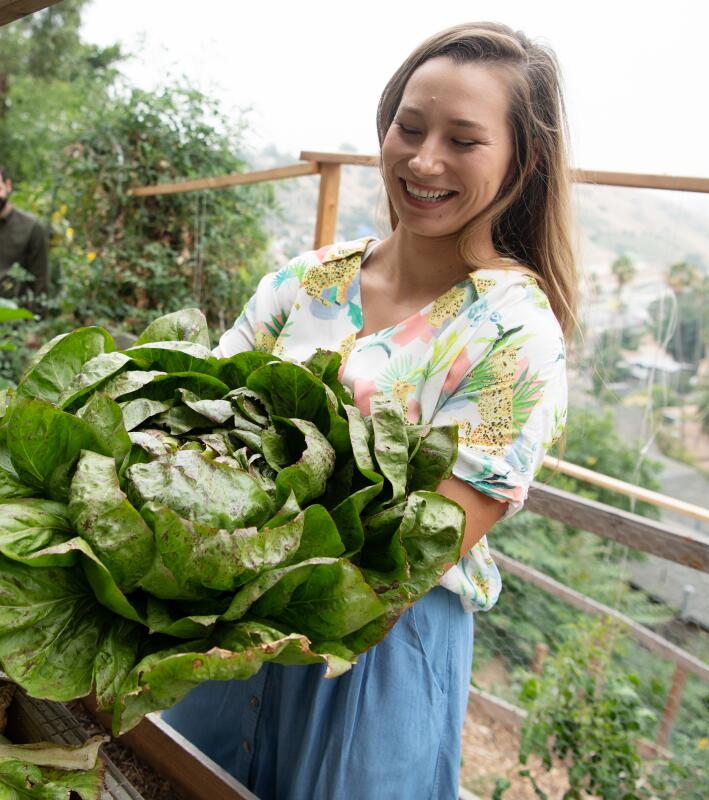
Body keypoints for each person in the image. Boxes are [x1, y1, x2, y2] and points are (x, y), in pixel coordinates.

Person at [161, 22, 578, 799]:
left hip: (376, 649)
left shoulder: (520, 338)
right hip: (222, 622)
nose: (423, 161)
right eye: (409, 128)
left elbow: (429, 542)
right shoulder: (306, 281)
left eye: (463, 140)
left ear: (523, 160)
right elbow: (196, 414)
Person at [0, 165, 51, 298]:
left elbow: (40, 279)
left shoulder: (31, 227)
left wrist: (38, 316)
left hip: (14, 313)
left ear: (7, 186)